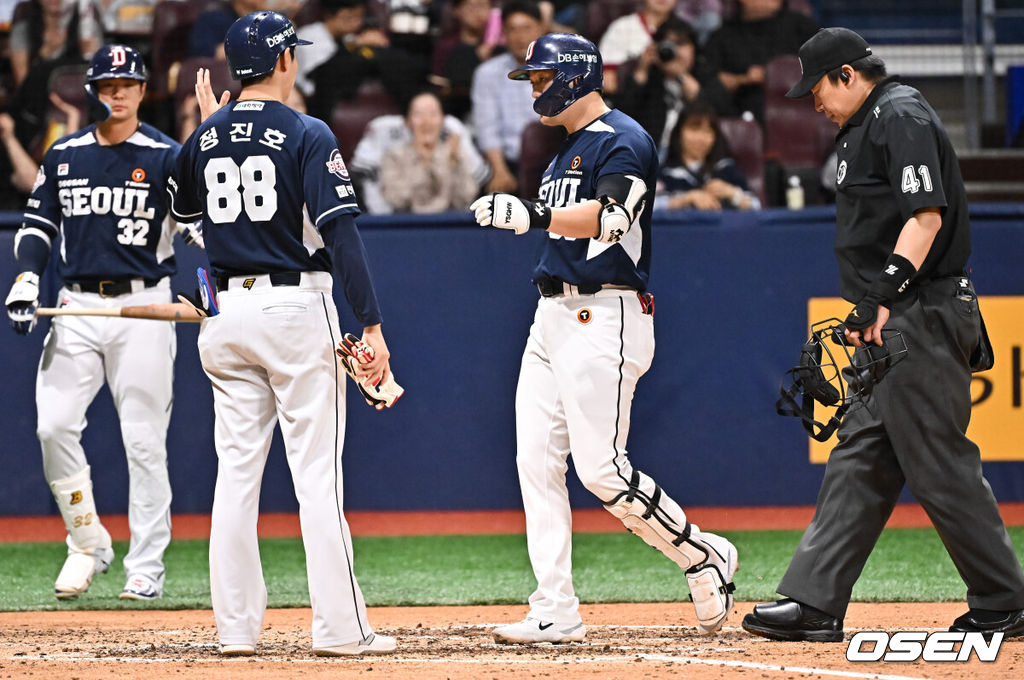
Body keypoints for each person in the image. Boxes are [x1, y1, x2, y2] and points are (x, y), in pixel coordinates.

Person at [742, 27, 1024, 642]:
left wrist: (878, 299)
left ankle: (1007, 600)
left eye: (817, 88)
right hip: (893, 316)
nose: (812, 102)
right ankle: (815, 602)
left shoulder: (900, 114)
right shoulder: (861, 126)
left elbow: (926, 218)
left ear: (847, 74)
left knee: (938, 462)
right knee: (861, 456)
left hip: (917, 312)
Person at [470, 32, 738, 644]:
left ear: (573, 76)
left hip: (606, 314)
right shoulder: (562, 150)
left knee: (601, 471)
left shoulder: (626, 139)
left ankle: (703, 555)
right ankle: (554, 608)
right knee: (534, 461)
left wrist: (530, 214)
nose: (536, 88)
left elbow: (612, 219)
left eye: (542, 77)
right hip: (552, 315)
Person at [168, 11, 397, 657]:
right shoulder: (306, 129)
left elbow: (186, 219)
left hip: (226, 315)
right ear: (284, 62)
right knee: (316, 476)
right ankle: (341, 632)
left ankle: (235, 634)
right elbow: (342, 234)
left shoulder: (203, 136)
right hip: (294, 309)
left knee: (236, 477)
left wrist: (212, 125)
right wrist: (372, 323)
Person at [4, 44, 204, 602]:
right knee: (53, 425)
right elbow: (37, 226)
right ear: (92, 90)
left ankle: (147, 565)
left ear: (143, 90)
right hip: (75, 304)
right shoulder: (64, 155)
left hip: (144, 305)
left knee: (144, 443)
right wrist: (25, 279)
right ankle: (87, 540)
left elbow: (197, 231)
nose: (117, 93)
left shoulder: (167, 156)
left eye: (127, 83)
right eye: (107, 84)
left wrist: (216, 284)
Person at [470, 0, 545, 195]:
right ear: (504, 33)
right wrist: (499, 170)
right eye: (513, 29)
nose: (520, 37)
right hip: (507, 162)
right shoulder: (487, 73)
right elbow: (487, 128)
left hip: (553, 159)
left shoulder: (562, 70)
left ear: (540, 29)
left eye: (527, 28)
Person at [700, 0, 817, 121]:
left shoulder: (801, 26)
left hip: (799, 105)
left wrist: (778, 75)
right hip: (745, 110)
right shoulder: (723, 36)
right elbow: (709, 79)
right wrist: (743, 79)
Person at [379, 91, 481, 213]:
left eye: (433, 114)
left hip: (450, 224)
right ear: (408, 122)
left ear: (442, 120)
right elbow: (396, 200)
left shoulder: (454, 153)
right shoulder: (394, 157)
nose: (426, 121)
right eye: (418, 114)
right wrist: (421, 163)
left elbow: (466, 197)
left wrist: (454, 163)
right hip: (408, 225)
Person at [656, 102, 759, 211]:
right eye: (694, 129)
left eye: (708, 131)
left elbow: (756, 205)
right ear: (679, 133)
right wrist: (686, 199)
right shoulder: (665, 173)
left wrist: (732, 193)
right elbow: (648, 206)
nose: (701, 138)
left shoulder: (726, 169)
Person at [597, 0, 687, 97]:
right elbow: (607, 82)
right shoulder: (623, 27)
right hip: (629, 101)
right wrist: (639, 67)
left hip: (674, 99)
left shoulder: (685, 32)